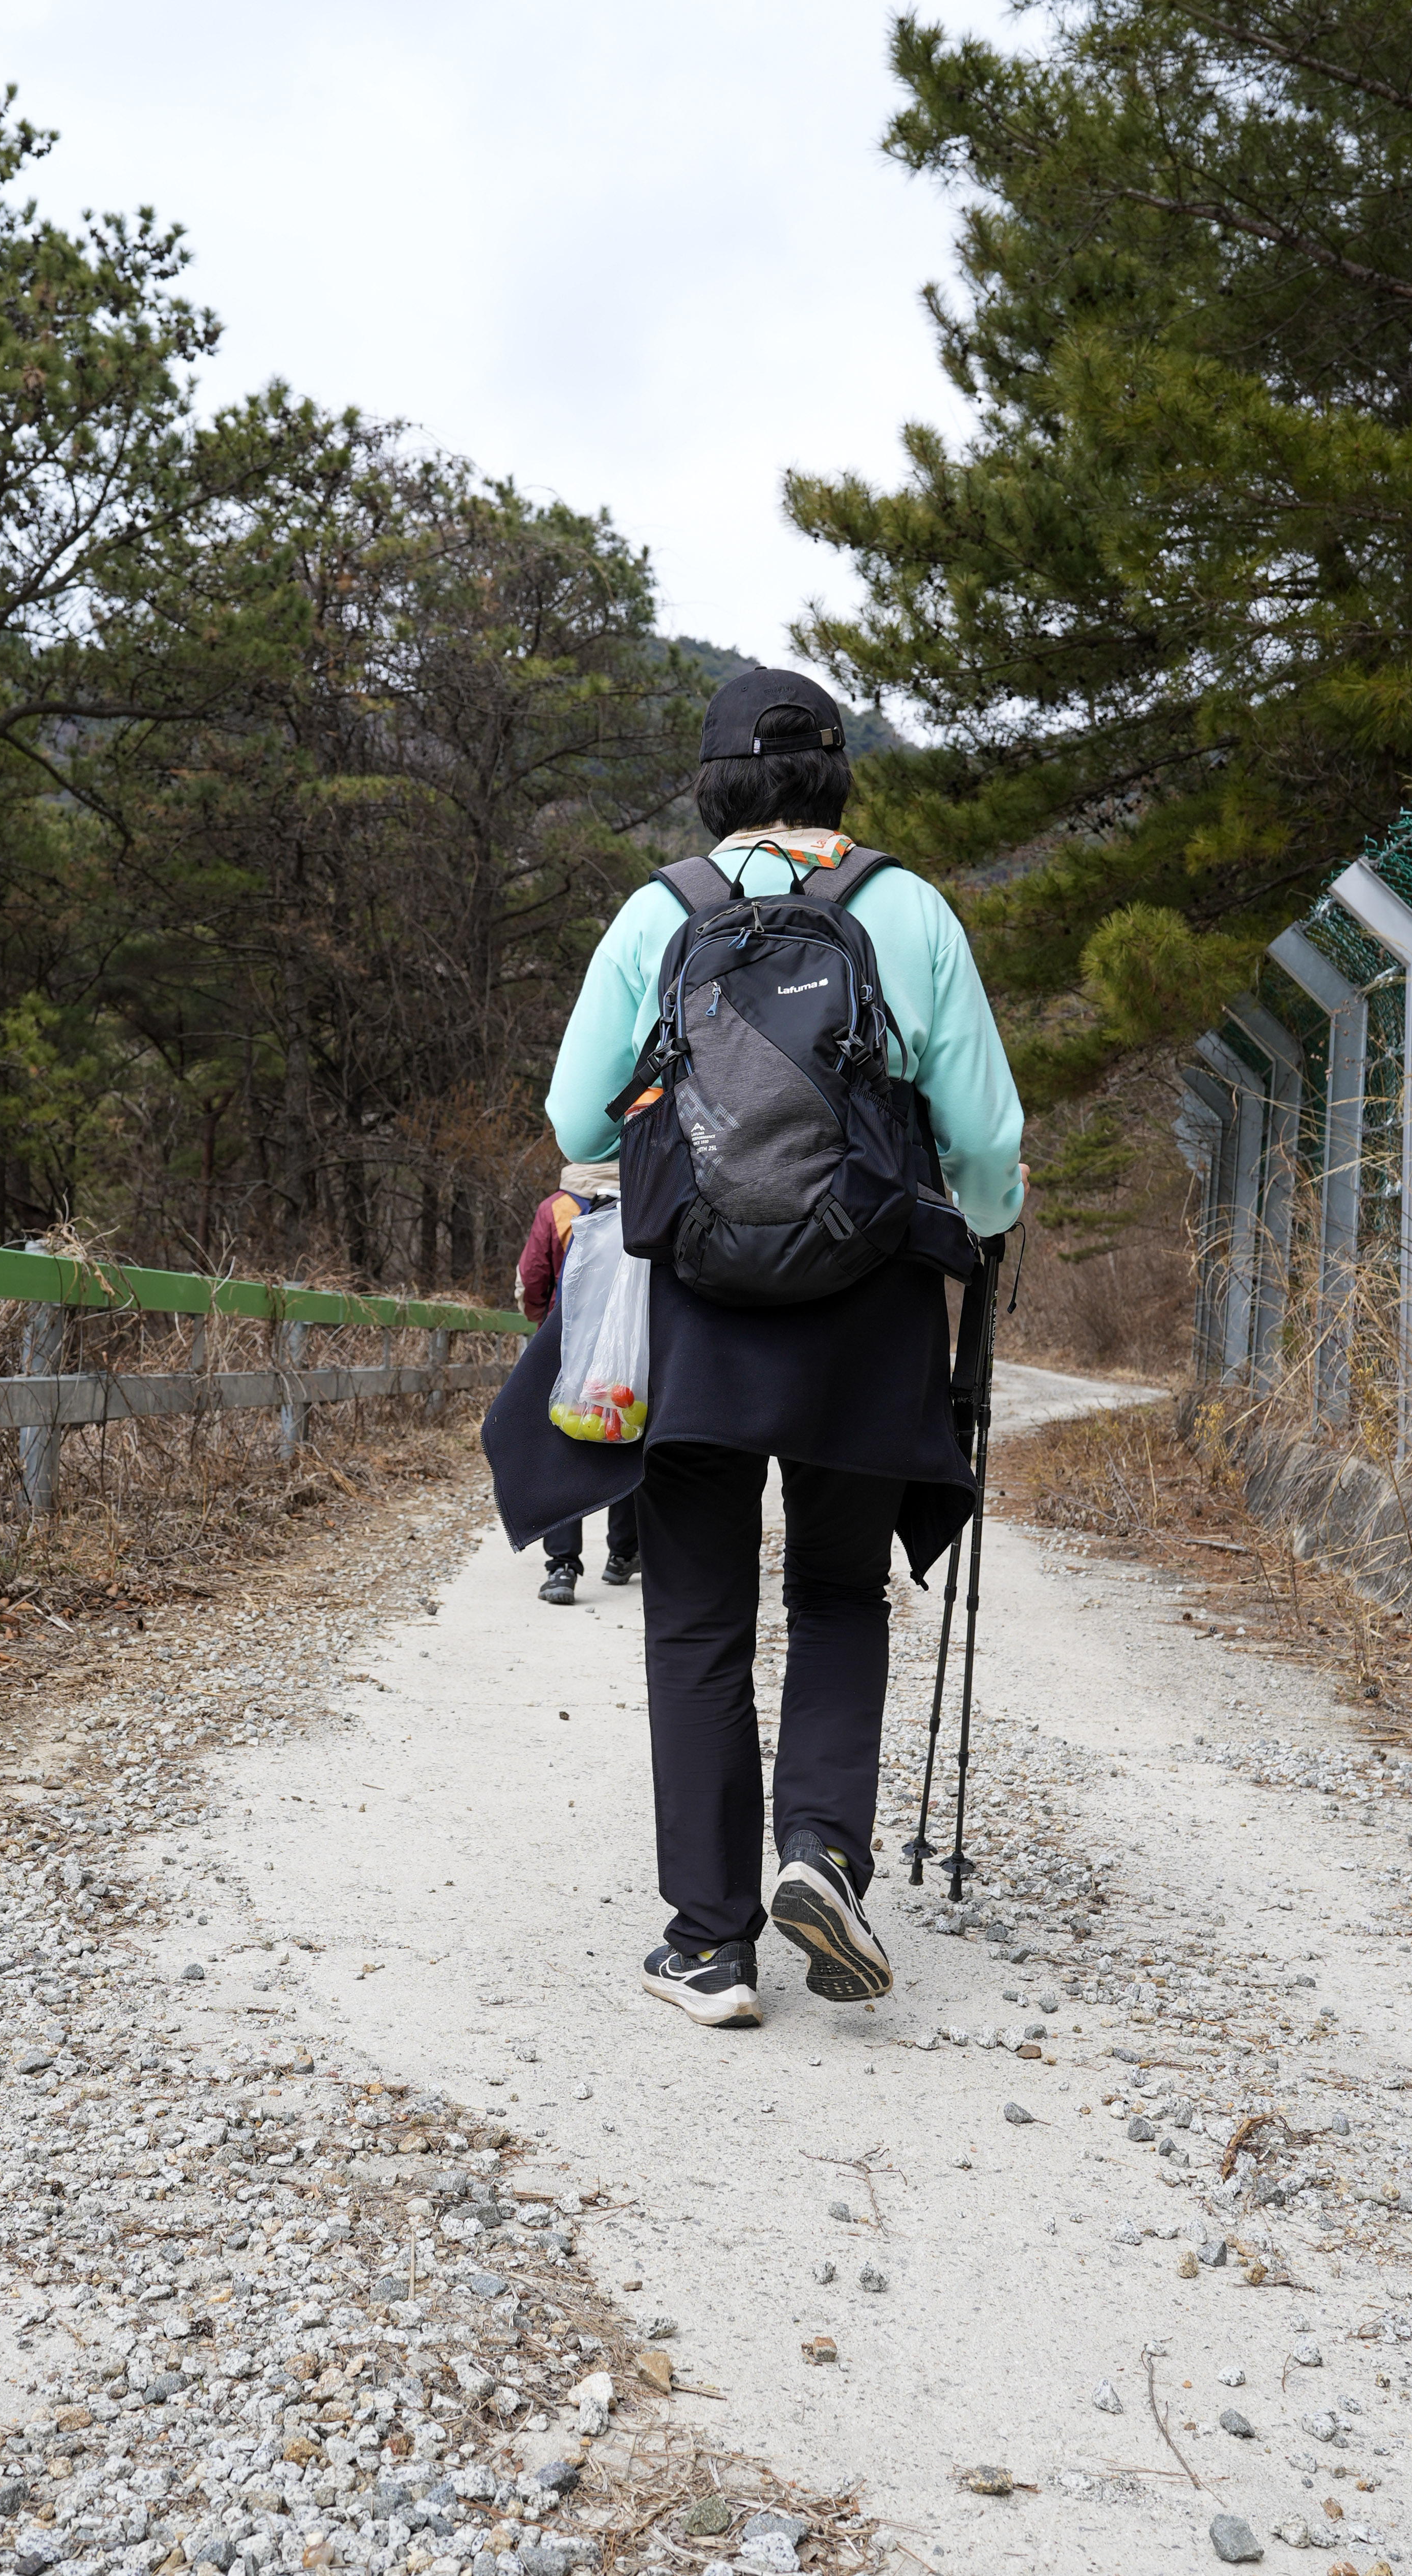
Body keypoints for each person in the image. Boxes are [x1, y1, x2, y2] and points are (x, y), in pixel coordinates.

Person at [483, 665, 1023, 2031]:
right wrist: (977, 1225)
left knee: (696, 1615)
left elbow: (578, 1121)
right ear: (836, 772)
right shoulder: (906, 908)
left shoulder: (657, 911)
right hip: (869, 1309)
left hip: (696, 1311)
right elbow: (987, 1143)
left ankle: (708, 1947)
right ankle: (820, 1854)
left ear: (713, 784)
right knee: (837, 1593)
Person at [515, 1165, 641, 1603]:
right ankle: (623, 1554)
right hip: (629, 1346)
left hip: (566, 1344)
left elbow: (533, 1278)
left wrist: (543, 1320)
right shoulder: (647, 1194)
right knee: (624, 1435)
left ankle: (562, 1567)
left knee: (563, 1451)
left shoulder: (557, 1208)